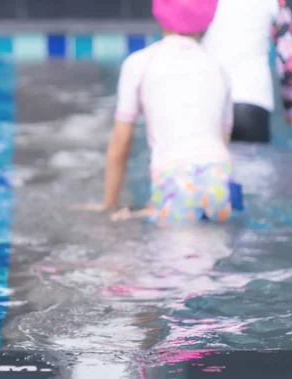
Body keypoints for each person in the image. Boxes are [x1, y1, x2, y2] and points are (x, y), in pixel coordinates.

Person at [71, 0, 234, 225]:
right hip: (219, 179)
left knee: (176, 253)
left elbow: (121, 142)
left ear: (159, 14)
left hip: (175, 177)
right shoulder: (219, 68)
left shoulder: (139, 63)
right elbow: (223, 138)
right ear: (208, 18)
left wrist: (109, 206)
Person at [202, 0, 292, 142]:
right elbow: (289, 63)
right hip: (253, 101)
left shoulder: (200, 4)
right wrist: (291, 111)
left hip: (211, 99)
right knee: (255, 163)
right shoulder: (276, 3)